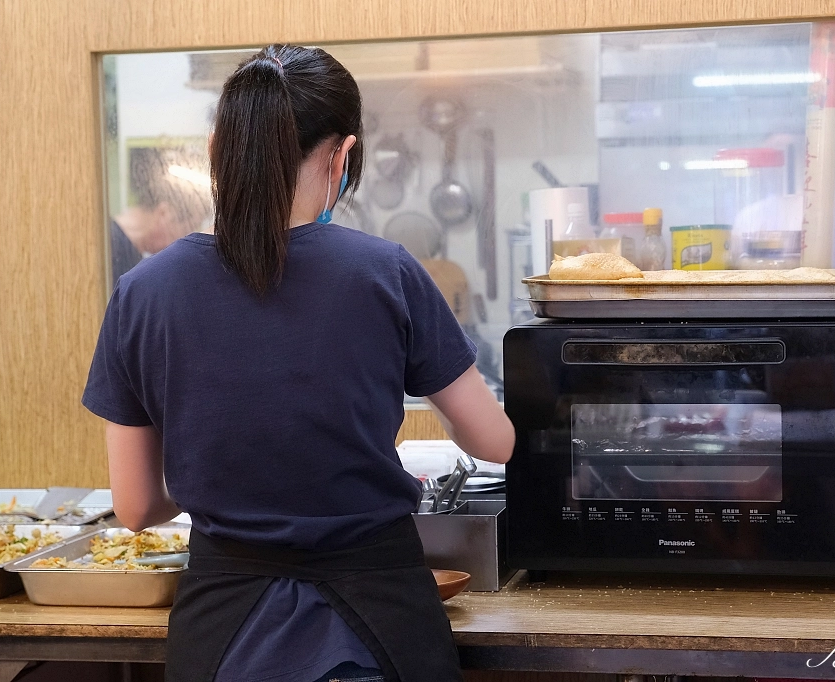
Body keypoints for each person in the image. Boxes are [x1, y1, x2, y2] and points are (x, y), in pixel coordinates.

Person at [81, 44, 514, 682]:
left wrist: (225, 486)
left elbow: (137, 505)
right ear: (343, 156)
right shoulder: (386, 272)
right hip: (384, 616)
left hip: (224, 625)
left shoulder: (144, 293)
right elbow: (493, 442)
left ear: (214, 150)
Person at [110, 146, 212, 288]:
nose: (186, 238)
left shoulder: (130, 258)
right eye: (189, 228)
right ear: (165, 213)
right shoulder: (109, 250)